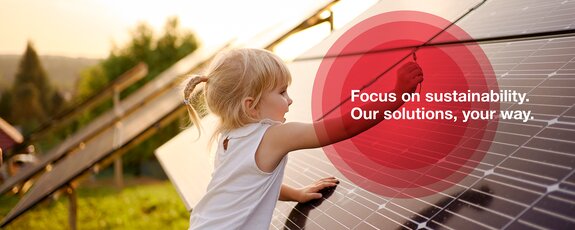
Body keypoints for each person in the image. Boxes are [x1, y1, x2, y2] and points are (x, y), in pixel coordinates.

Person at [183, 48, 423, 229]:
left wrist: (296, 194)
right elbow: (346, 126)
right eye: (281, 92)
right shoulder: (275, 136)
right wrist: (397, 94)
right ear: (252, 106)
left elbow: (246, 186)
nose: (289, 100)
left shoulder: (228, 138)